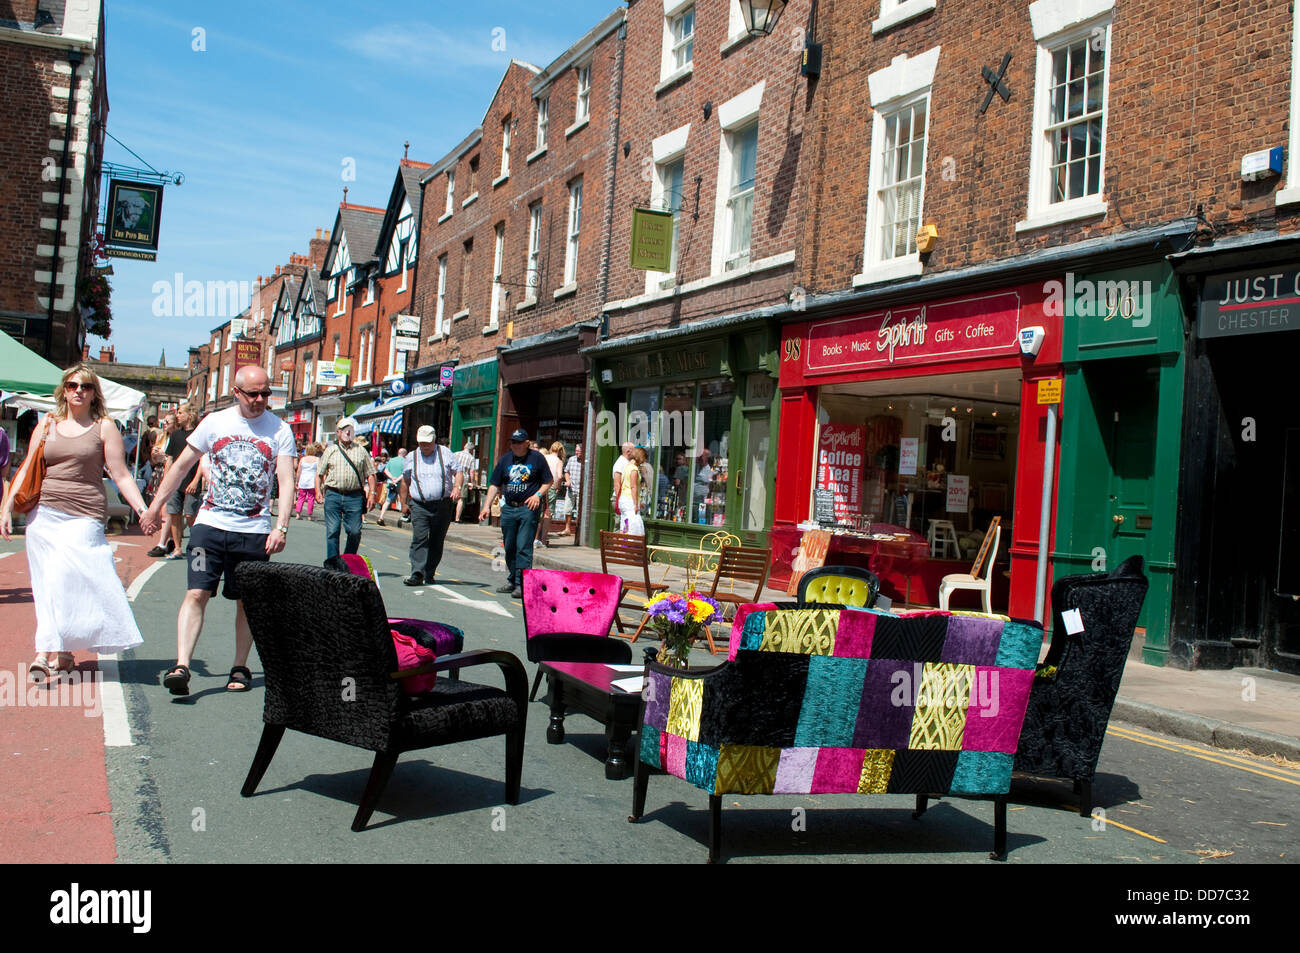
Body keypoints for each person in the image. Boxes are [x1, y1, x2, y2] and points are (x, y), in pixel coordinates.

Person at [141, 365, 296, 695]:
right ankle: (182, 665)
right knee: (196, 593)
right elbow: (181, 465)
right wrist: (155, 507)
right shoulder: (214, 423)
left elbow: (286, 480)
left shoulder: (280, 429)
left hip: (253, 531)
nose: (259, 400)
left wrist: (281, 527)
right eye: (252, 394)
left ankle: (240, 666)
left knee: (246, 602)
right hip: (209, 527)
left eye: (265, 394)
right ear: (237, 393)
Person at [1, 365, 150, 682]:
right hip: (44, 515)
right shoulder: (47, 424)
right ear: (63, 390)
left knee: (73, 582)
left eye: (85, 386)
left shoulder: (104, 427)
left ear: (94, 392)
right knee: (49, 585)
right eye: (71, 385)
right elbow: (27, 467)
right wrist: (6, 507)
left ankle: (64, 648)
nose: (78, 391)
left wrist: (142, 508)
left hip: (84, 515)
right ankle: (47, 652)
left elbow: (120, 474)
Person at [478, 429, 550, 598]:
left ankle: (521, 584)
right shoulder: (505, 460)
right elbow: (495, 484)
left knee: (523, 546)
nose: (515, 446)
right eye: (512, 442)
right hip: (509, 508)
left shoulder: (537, 458)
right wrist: (486, 506)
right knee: (509, 546)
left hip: (528, 508)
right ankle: (512, 579)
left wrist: (537, 495)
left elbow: (548, 481)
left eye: (518, 442)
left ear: (526, 443)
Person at [400, 425, 463, 587]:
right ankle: (417, 573)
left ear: (434, 440)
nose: (425, 446)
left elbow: (459, 472)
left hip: (442, 504)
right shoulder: (411, 457)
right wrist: (404, 503)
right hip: (419, 505)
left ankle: (429, 572)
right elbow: (405, 481)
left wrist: (457, 487)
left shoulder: (446, 453)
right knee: (419, 538)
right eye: (421, 443)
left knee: (436, 540)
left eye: (428, 443)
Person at [315, 417, 376, 562]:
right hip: (333, 494)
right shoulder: (330, 450)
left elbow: (371, 474)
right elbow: (319, 474)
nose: (348, 432)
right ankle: (333, 564)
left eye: (351, 430)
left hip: (354, 496)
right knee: (333, 531)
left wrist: (372, 494)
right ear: (338, 432)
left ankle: (348, 561)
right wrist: (318, 491)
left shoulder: (361, 450)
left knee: (355, 531)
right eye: (345, 430)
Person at [161, 404, 200, 560]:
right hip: (175, 482)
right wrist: (165, 480)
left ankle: (197, 545)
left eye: (181, 413)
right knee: (174, 514)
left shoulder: (198, 434)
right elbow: (170, 458)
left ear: (189, 415)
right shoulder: (175, 435)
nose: (177, 416)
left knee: (190, 515)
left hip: (191, 480)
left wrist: (197, 480)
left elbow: (203, 458)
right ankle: (177, 548)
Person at [146, 414, 177, 556]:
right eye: (164, 422)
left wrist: (165, 456)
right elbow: (152, 461)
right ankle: (171, 540)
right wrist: (154, 455)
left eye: (168, 422)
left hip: (170, 474)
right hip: (158, 472)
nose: (165, 424)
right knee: (160, 508)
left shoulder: (177, 438)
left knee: (166, 509)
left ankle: (162, 543)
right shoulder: (161, 438)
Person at [537, 441, 564, 548]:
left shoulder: (544, 457)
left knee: (539, 513)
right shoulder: (558, 461)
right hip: (551, 487)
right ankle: (543, 540)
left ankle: (535, 539)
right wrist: (557, 486)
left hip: (540, 487)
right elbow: (559, 475)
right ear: (561, 451)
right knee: (548, 514)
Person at [618, 447, 647, 536]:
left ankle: (624, 545)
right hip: (630, 500)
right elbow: (633, 487)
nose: (644, 461)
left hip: (623, 499)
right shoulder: (634, 469)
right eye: (644, 459)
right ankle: (630, 546)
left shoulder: (627, 467)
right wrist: (635, 504)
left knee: (625, 524)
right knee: (634, 525)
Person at [376, 448, 404, 526]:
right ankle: (403, 516)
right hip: (400, 484)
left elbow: (385, 471)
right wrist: (397, 480)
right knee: (403, 500)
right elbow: (404, 473)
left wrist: (392, 478)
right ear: (405, 454)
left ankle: (381, 517)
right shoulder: (405, 461)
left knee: (387, 501)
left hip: (391, 483)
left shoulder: (391, 460)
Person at [294, 441, 321, 519]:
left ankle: (298, 513)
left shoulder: (302, 459)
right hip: (312, 481)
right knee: (311, 498)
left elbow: (299, 471)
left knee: (301, 497)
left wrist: (297, 481)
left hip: (303, 480)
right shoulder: (317, 459)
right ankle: (309, 515)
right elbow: (319, 471)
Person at [561, 443, 582, 536]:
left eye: (579, 451)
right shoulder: (571, 459)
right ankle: (567, 529)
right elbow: (566, 471)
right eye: (576, 451)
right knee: (567, 509)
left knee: (579, 511)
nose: (577, 453)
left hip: (581, 491)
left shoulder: (586, 460)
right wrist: (568, 480)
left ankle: (578, 531)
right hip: (571, 489)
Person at [453, 441, 476, 522]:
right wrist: (472, 482)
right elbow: (472, 472)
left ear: (464, 447)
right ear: (471, 450)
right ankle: (457, 519)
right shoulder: (471, 458)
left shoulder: (455, 454)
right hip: (464, 479)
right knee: (461, 499)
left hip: (453, 477)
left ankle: (447, 517)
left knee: (449, 498)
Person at [611, 441, 633, 505]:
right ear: (628, 452)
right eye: (634, 451)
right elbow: (617, 484)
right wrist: (620, 500)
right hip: (621, 498)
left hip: (625, 498)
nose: (635, 453)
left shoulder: (626, 462)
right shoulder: (620, 463)